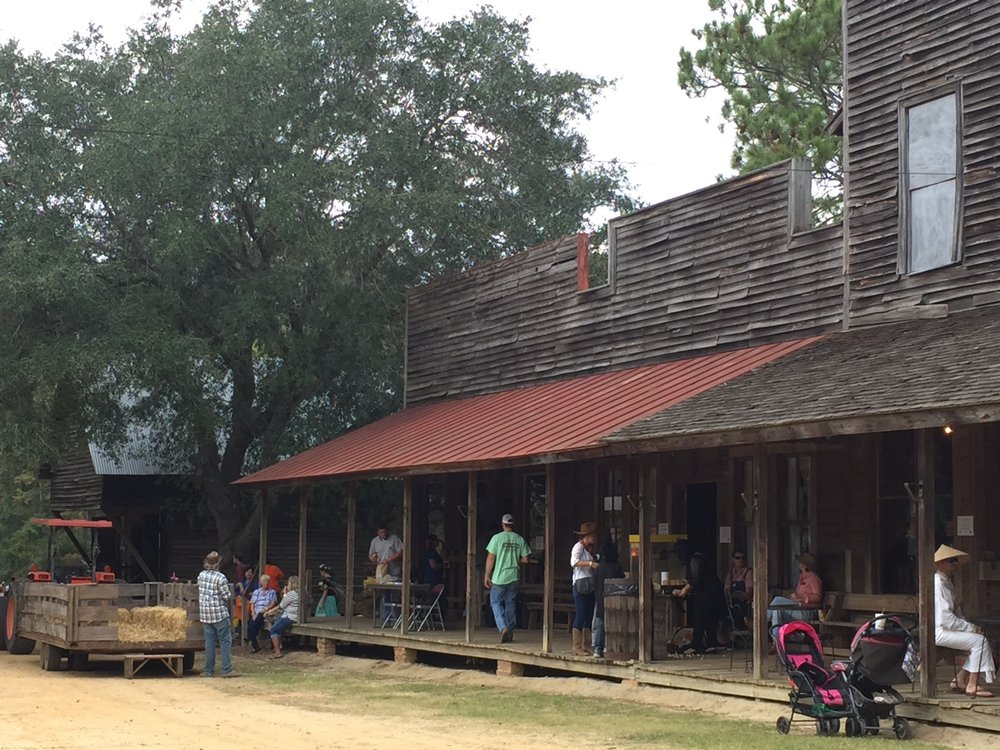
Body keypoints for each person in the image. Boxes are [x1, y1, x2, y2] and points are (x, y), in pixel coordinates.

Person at [935, 544, 995, 697]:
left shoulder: (947, 581)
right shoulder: (938, 583)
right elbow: (945, 618)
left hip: (947, 628)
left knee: (979, 640)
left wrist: (970, 626)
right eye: (950, 561)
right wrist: (970, 628)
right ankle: (972, 685)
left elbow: (957, 613)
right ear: (940, 563)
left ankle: (960, 679)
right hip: (939, 631)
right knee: (979, 642)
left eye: (955, 561)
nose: (954, 564)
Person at [484, 513, 532, 643]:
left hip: (499, 577)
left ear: (503, 524)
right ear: (512, 525)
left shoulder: (497, 538)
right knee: (510, 603)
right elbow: (526, 559)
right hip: (514, 576)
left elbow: (491, 557)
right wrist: (515, 559)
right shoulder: (519, 539)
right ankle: (510, 630)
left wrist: (487, 575)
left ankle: (503, 627)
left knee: (495, 602)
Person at [672, 552, 725, 653]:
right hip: (714, 593)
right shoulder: (704, 560)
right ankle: (711, 643)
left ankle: (697, 644)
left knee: (699, 618)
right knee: (711, 620)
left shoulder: (695, 559)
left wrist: (686, 588)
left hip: (707, 593)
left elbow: (696, 579)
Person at [197, 550, 237, 677]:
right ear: (218, 564)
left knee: (210, 642)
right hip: (219, 613)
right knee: (225, 640)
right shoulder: (221, 578)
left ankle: (208, 670)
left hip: (205, 613)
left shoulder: (201, 575)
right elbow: (227, 596)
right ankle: (226, 669)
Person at [768, 551, 823, 640]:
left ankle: (761, 621)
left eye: (800, 562)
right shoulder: (802, 577)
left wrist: (803, 598)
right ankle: (776, 641)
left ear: (804, 565)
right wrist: (795, 597)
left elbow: (817, 596)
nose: (799, 564)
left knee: (777, 600)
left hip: (807, 612)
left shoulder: (813, 578)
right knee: (776, 611)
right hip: (799, 609)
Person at [591, 537, 624, 659]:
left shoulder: (598, 569)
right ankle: (614, 647)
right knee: (615, 623)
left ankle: (598, 649)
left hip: (600, 598)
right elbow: (622, 581)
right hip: (615, 601)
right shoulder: (616, 568)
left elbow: (593, 583)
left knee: (600, 622)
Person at [570, 521, 599, 656]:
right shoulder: (578, 547)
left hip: (588, 583)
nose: (594, 538)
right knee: (581, 614)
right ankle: (576, 646)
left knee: (588, 615)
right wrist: (590, 563)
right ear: (586, 536)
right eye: (592, 535)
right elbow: (574, 562)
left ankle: (586, 645)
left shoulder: (587, 550)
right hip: (580, 584)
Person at [263, 575, 300, 659]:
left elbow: (281, 606)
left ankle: (277, 652)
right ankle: (279, 645)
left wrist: (269, 611)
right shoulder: (302, 592)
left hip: (290, 616)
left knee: (273, 630)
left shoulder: (291, 594)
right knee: (278, 621)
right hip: (297, 615)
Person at [247, 573, 278, 652]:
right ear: (261, 583)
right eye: (264, 581)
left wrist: (266, 608)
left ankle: (254, 634)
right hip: (256, 612)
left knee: (258, 619)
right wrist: (253, 613)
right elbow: (252, 604)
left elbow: (273, 603)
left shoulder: (272, 592)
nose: (266, 583)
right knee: (250, 626)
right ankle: (255, 645)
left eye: (267, 581)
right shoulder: (256, 592)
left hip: (266, 612)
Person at [724, 550, 754, 629]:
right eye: (738, 558)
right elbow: (726, 591)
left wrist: (734, 595)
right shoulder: (730, 573)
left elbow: (749, 594)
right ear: (733, 559)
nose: (740, 560)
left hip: (744, 606)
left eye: (743, 558)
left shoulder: (748, 572)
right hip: (730, 604)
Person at [233, 566, 257, 631]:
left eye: (250, 571)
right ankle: (238, 629)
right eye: (247, 571)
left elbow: (255, 592)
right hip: (241, 604)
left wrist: (241, 587)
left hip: (251, 604)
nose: (249, 573)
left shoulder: (255, 583)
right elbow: (236, 593)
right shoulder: (243, 582)